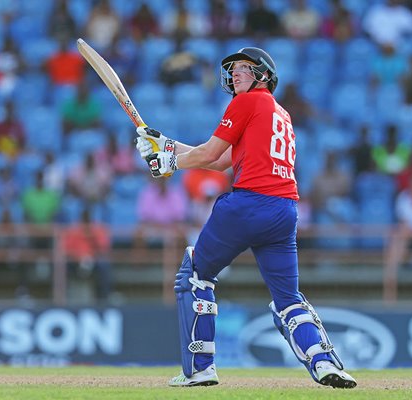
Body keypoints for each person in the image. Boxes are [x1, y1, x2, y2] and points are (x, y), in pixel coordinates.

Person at [135, 47, 356, 388]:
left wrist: (169, 163)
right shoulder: (278, 112)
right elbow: (220, 160)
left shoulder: (247, 102)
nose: (235, 73)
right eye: (233, 68)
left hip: (248, 204)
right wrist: (165, 145)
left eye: (243, 68)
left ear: (263, 75)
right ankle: (324, 362)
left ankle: (200, 369)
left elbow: (209, 153)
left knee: (195, 274)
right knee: (288, 298)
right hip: (284, 212)